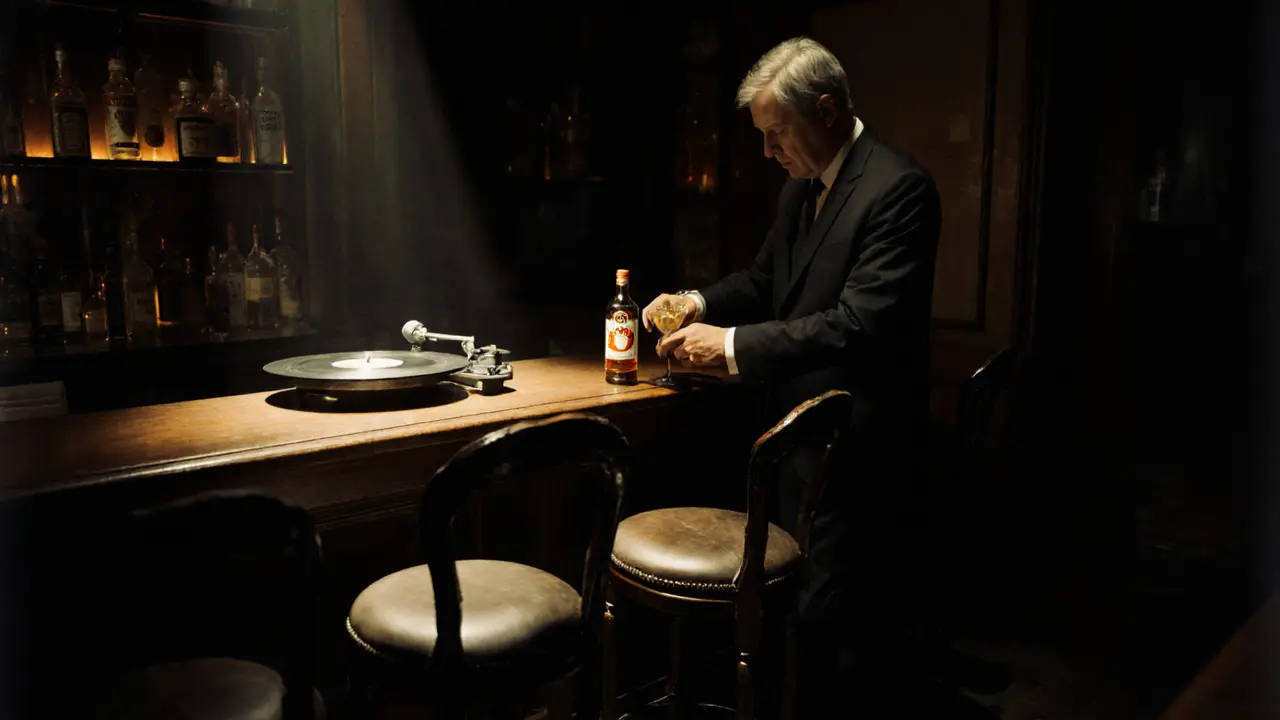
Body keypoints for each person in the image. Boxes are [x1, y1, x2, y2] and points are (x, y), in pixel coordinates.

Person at [644, 37, 942, 714]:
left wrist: (731, 346)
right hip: (791, 428)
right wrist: (697, 303)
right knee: (790, 609)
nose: (768, 151)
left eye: (776, 133)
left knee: (826, 616)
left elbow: (857, 324)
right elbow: (762, 279)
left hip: (855, 441)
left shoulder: (899, 190)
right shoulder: (801, 186)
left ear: (829, 110)